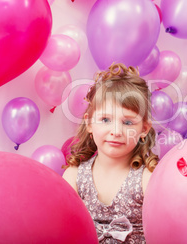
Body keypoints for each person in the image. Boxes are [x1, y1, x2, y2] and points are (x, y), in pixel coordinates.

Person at [63, 63, 158, 243]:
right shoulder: (74, 176)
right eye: (105, 119)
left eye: (128, 123)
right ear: (89, 123)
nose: (116, 131)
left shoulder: (147, 179)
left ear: (144, 128)